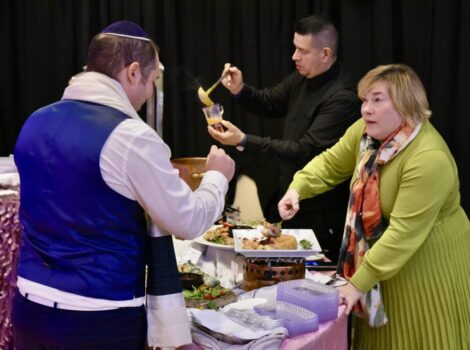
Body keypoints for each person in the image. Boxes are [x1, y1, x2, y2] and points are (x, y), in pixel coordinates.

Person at [12, 21, 235, 350]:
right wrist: (218, 176)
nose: (148, 93)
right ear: (133, 72)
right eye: (151, 81)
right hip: (97, 317)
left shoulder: (35, 120)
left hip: (28, 305)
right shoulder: (130, 136)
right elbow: (186, 220)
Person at [278, 63, 470, 349]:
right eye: (364, 100)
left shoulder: (429, 158)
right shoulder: (366, 134)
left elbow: (402, 234)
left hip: (425, 265)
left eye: (377, 100)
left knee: (417, 336)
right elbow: (331, 163)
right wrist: (298, 188)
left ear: (406, 104)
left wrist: (357, 283)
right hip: (380, 263)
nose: (365, 109)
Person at [207, 14, 360, 262]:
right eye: (294, 48)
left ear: (325, 53)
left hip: (319, 211)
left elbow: (304, 150)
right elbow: (270, 101)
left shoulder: (342, 97)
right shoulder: (303, 77)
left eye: (302, 50)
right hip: (288, 200)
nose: (294, 57)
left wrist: (244, 140)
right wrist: (240, 90)